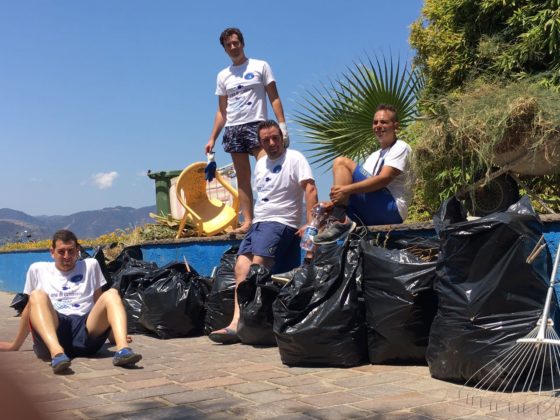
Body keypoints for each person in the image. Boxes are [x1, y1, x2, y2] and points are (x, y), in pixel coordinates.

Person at [208, 120, 318, 344]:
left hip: (281, 222)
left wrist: (311, 226)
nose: (272, 143)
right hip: (259, 222)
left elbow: (311, 189)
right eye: (266, 140)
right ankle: (237, 323)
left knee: (258, 267)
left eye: (275, 138)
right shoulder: (260, 164)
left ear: (282, 138)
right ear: (259, 143)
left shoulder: (295, 158)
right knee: (240, 267)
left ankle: (258, 323)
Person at [0, 230, 142, 373]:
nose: (67, 256)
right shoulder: (37, 269)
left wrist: (112, 336)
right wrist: (15, 345)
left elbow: (100, 302)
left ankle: (123, 350)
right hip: (54, 328)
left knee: (111, 294)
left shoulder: (90, 265)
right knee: (37, 296)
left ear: (78, 250)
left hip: (85, 331)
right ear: (52, 252)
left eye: (71, 251)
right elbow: (30, 308)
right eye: (61, 252)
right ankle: (57, 354)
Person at [205, 27, 289, 235]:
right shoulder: (223, 75)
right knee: (243, 177)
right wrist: (212, 138)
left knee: (266, 171)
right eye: (228, 45)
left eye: (236, 43)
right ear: (224, 49)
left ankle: (270, 215)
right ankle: (248, 221)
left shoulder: (261, 66)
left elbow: (274, 97)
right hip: (234, 128)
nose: (233, 47)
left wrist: (282, 126)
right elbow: (221, 111)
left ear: (242, 43)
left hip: (258, 125)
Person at [314, 104, 412, 244]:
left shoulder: (401, 147)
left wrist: (345, 190)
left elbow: (383, 179)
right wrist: (333, 202)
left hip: (392, 210)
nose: (378, 125)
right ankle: (311, 260)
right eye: (375, 122)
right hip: (372, 210)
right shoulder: (373, 156)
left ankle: (339, 220)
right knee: (323, 215)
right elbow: (360, 187)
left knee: (341, 162)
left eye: (384, 122)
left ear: (396, 126)